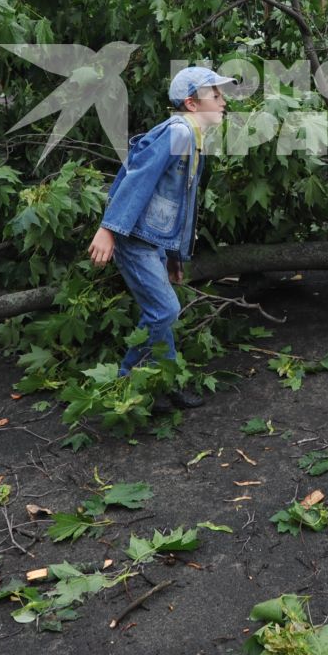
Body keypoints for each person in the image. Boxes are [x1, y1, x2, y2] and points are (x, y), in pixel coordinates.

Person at [87, 65, 235, 408]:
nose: (223, 101)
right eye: (216, 95)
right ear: (192, 104)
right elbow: (138, 177)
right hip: (134, 237)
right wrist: (109, 229)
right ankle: (126, 384)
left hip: (153, 240)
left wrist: (174, 256)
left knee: (160, 313)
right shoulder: (178, 133)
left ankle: (161, 386)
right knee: (165, 310)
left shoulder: (193, 137)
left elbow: (181, 204)